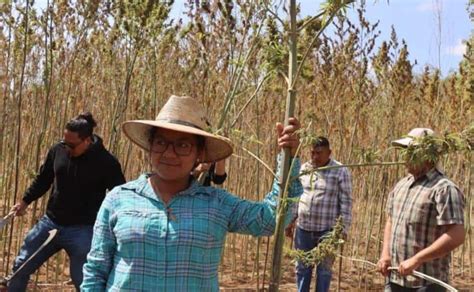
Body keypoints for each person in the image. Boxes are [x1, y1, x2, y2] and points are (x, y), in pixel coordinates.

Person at [81, 95, 303, 291]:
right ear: (150, 147)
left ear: (200, 153)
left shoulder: (216, 204)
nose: (169, 153)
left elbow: (270, 219)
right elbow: (96, 269)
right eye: (161, 143)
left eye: (183, 145)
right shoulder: (119, 199)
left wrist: (289, 160)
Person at [7, 112, 125, 291]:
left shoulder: (106, 162)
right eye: (64, 142)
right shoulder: (58, 151)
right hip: (50, 223)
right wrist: (25, 201)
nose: (67, 148)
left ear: (87, 140)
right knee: (20, 268)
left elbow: (119, 196)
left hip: (83, 230)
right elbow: (43, 179)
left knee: (85, 281)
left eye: (71, 145)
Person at [377, 128, 465, 292]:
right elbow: (391, 220)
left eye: (411, 151)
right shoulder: (402, 185)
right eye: (405, 151)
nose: (405, 157)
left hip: (426, 283)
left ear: (427, 155)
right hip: (395, 277)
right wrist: (385, 254)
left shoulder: (444, 189)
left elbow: (457, 234)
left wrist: (417, 259)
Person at [286, 136, 352, 292]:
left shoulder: (340, 171)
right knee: (302, 268)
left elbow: (346, 203)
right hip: (303, 230)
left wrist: (343, 230)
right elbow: (296, 198)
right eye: (312, 153)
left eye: (319, 153)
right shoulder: (304, 169)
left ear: (329, 152)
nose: (315, 156)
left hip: (328, 232)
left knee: (324, 271)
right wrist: (290, 221)